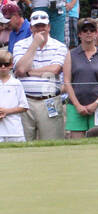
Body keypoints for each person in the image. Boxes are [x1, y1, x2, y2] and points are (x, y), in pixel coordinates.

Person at [11, 11, 68, 140]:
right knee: (23, 143)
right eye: (37, 26)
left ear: (49, 27)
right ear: (31, 28)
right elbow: (20, 69)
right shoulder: (20, 45)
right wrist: (34, 45)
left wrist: (29, 72)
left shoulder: (59, 46)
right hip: (25, 101)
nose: (40, 29)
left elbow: (54, 70)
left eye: (43, 25)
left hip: (50, 100)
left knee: (52, 142)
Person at [62, 18, 98, 138]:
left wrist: (96, 103)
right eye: (85, 30)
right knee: (77, 144)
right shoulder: (71, 55)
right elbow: (67, 82)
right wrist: (77, 105)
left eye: (92, 30)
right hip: (75, 105)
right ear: (79, 34)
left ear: (96, 33)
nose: (88, 33)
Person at [0, 48, 29, 142]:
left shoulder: (16, 83)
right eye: (0, 64)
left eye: (6, 64)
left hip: (14, 130)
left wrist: (7, 111)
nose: (3, 67)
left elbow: (24, 106)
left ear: (11, 65)